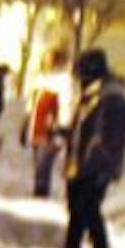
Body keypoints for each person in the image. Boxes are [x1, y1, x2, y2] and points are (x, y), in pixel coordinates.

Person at [63, 48, 125, 248]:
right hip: (83, 162)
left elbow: (104, 136)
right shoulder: (94, 94)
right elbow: (86, 128)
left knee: (89, 207)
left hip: (94, 165)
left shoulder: (110, 97)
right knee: (77, 207)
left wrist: (96, 165)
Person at [25, 50, 73, 198]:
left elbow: (66, 105)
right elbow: (32, 106)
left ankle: (41, 193)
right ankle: (39, 191)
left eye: (49, 59)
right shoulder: (40, 79)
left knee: (43, 163)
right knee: (38, 163)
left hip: (50, 130)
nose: (46, 62)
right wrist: (26, 124)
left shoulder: (63, 81)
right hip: (37, 128)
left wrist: (61, 127)